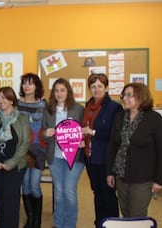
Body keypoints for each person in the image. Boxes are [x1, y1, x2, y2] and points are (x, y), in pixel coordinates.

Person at [106, 82, 162, 217]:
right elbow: (113, 145)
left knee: (137, 216)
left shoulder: (153, 118)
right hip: (121, 177)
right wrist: (110, 172)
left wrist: (159, 179)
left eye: (130, 95)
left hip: (143, 179)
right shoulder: (120, 117)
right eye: (124, 95)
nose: (125, 98)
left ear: (141, 98)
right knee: (126, 214)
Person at [0, 86, 30, 228]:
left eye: (3, 97)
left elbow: (25, 143)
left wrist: (11, 163)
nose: (0, 100)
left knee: (11, 200)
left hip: (15, 165)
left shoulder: (22, 118)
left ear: (11, 99)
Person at [81, 73, 122, 227]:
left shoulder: (114, 107)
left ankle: (111, 224)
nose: (96, 89)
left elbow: (115, 134)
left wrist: (93, 133)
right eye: (93, 86)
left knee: (108, 194)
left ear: (106, 87)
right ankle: (100, 223)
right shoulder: (88, 106)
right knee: (97, 192)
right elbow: (84, 128)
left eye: (100, 86)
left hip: (106, 158)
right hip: (90, 157)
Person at [42, 78, 85, 228]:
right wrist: (46, 133)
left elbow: (84, 129)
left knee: (69, 191)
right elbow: (43, 134)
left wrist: (83, 139)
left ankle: (70, 224)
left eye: (62, 90)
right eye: (56, 90)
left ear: (68, 92)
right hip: (55, 157)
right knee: (59, 192)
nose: (59, 94)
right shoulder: (48, 110)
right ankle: (58, 224)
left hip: (74, 158)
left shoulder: (78, 109)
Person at [18, 73, 47, 228]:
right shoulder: (15, 104)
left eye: (31, 83)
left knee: (34, 184)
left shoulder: (43, 105)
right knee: (25, 184)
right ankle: (30, 218)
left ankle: (37, 220)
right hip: (21, 151)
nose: (27, 86)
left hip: (38, 151)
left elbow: (48, 127)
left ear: (37, 86)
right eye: (24, 83)